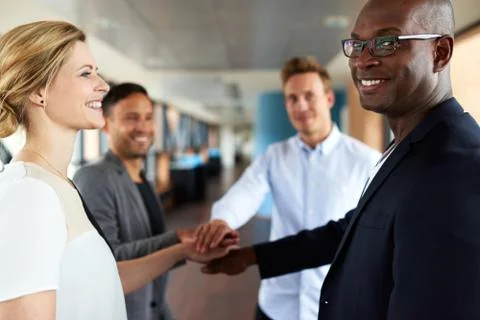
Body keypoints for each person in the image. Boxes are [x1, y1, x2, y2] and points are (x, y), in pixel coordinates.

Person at [202, 0, 480, 319]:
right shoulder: (407, 150)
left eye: (387, 42)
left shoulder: (456, 168)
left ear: (440, 52)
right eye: (357, 44)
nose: (363, 60)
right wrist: (250, 255)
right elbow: (353, 230)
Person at [0, 21, 234, 320]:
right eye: (86, 73)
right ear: (38, 91)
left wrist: (182, 250)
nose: (104, 85)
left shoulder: (60, 185)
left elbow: (108, 279)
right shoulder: (29, 193)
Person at [194, 56, 380, 320]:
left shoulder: (366, 161)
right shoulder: (274, 155)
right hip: (276, 304)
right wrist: (223, 220)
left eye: (309, 96)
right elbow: (246, 191)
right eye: (293, 98)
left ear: (328, 99)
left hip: (334, 304)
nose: (301, 105)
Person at [73, 82, 238, 320]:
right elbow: (108, 261)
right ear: (106, 124)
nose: (143, 127)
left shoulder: (143, 178)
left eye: (148, 117)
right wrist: (179, 244)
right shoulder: (95, 177)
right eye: (131, 118)